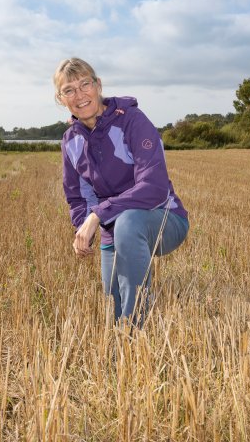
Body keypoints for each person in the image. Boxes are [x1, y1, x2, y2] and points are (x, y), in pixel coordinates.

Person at [54, 57, 189, 324]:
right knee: (115, 302)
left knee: (128, 223)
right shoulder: (71, 141)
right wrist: (83, 228)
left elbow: (154, 187)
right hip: (112, 229)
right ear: (61, 99)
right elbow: (77, 196)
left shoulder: (132, 122)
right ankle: (125, 332)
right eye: (69, 90)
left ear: (98, 85)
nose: (79, 95)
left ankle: (134, 337)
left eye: (85, 84)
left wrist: (97, 216)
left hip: (164, 219)